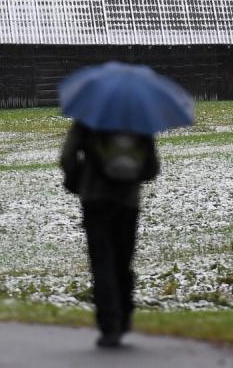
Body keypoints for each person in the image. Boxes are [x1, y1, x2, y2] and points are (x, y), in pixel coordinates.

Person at [60, 121, 160, 348]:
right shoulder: (139, 122)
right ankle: (125, 317)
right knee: (123, 261)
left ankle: (109, 324)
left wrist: (77, 183)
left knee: (102, 262)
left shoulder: (88, 119)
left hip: (95, 199)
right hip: (128, 201)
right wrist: (131, 175)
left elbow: (67, 157)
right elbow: (152, 168)